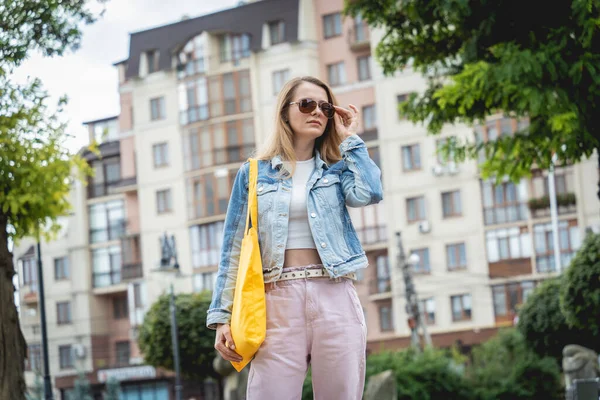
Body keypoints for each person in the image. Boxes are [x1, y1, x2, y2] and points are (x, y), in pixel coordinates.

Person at [206, 76, 383, 400]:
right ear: (285, 112)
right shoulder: (254, 172)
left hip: (334, 296)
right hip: (275, 301)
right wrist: (222, 317)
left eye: (325, 107)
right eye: (307, 104)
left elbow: (370, 192)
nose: (317, 112)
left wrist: (350, 139)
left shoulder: (338, 169)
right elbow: (233, 247)